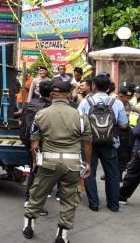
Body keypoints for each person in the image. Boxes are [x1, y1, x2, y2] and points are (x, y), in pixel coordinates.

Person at [23, 80, 92, 243]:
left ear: (52, 95)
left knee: (37, 194)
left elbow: (34, 144)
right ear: (68, 95)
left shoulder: (41, 114)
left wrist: (35, 162)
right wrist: (87, 164)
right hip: (72, 165)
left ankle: (29, 226)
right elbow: (87, 143)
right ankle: (62, 236)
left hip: (48, 163)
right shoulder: (81, 117)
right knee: (69, 200)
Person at [78, 75, 128, 212]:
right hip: (110, 143)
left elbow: (79, 123)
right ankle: (113, 205)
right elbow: (124, 125)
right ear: (108, 87)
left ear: (93, 86)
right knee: (112, 174)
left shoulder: (86, 102)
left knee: (89, 171)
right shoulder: (116, 103)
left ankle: (94, 204)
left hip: (90, 143)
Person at [20, 80, 52, 206]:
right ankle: (32, 200)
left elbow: (21, 122)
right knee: (39, 171)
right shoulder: (49, 107)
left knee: (35, 168)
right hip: (41, 142)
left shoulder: (30, 103)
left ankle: (30, 198)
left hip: (28, 140)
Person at [117, 86, 136, 181]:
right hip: (116, 131)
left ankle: (119, 174)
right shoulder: (114, 104)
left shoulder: (129, 104)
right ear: (121, 96)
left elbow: (139, 110)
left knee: (123, 154)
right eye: (126, 97)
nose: (128, 98)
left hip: (126, 132)